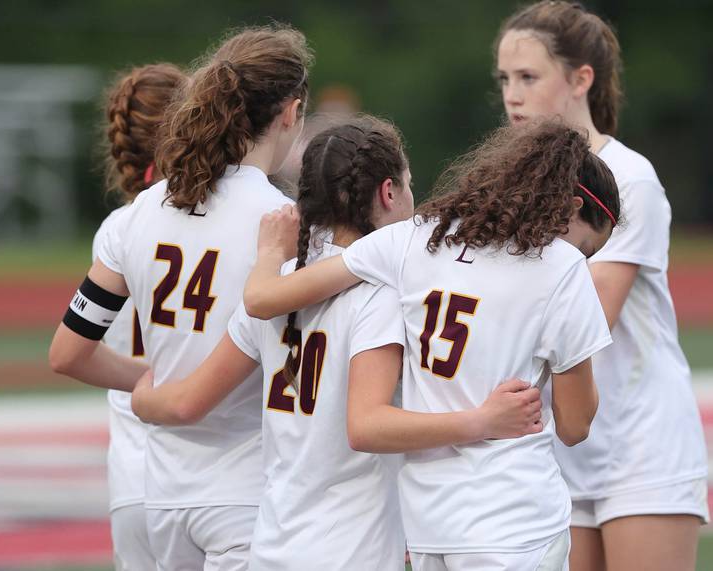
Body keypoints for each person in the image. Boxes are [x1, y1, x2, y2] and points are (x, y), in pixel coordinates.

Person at [129, 115, 545, 570]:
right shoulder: (382, 294)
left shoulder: (281, 281)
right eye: (407, 184)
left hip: (273, 543)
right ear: (388, 192)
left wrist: (139, 396)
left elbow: (190, 399)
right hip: (351, 549)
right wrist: (482, 420)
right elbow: (368, 426)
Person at [243, 119, 620, 570]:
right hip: (514, 519)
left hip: (428, 525)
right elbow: (576, 425)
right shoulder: (561, 267)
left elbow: (265, 299)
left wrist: (270, 255)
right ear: (570, 206)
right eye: (586, 245)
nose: (582, 256)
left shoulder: (412, 238)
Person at [49, 24, 312, 571]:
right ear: (290, 111)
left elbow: (67, 353)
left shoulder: (138, 214)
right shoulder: (287, 222)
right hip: (251, 489)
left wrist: (149, 384)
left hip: (161, 492)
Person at [494, 3, 708, 570]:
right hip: (559, 447)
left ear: (581, 78)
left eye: (529, 77)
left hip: (641, 444)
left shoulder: (627, 179)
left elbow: (592, 317)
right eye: (505, 80)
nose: (512, 95)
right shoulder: (512, 187)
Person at [96, 62, 186, 571]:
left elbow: (74, 350)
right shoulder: (236, 215)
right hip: (202, 471)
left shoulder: (117, 226)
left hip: (131, 476)